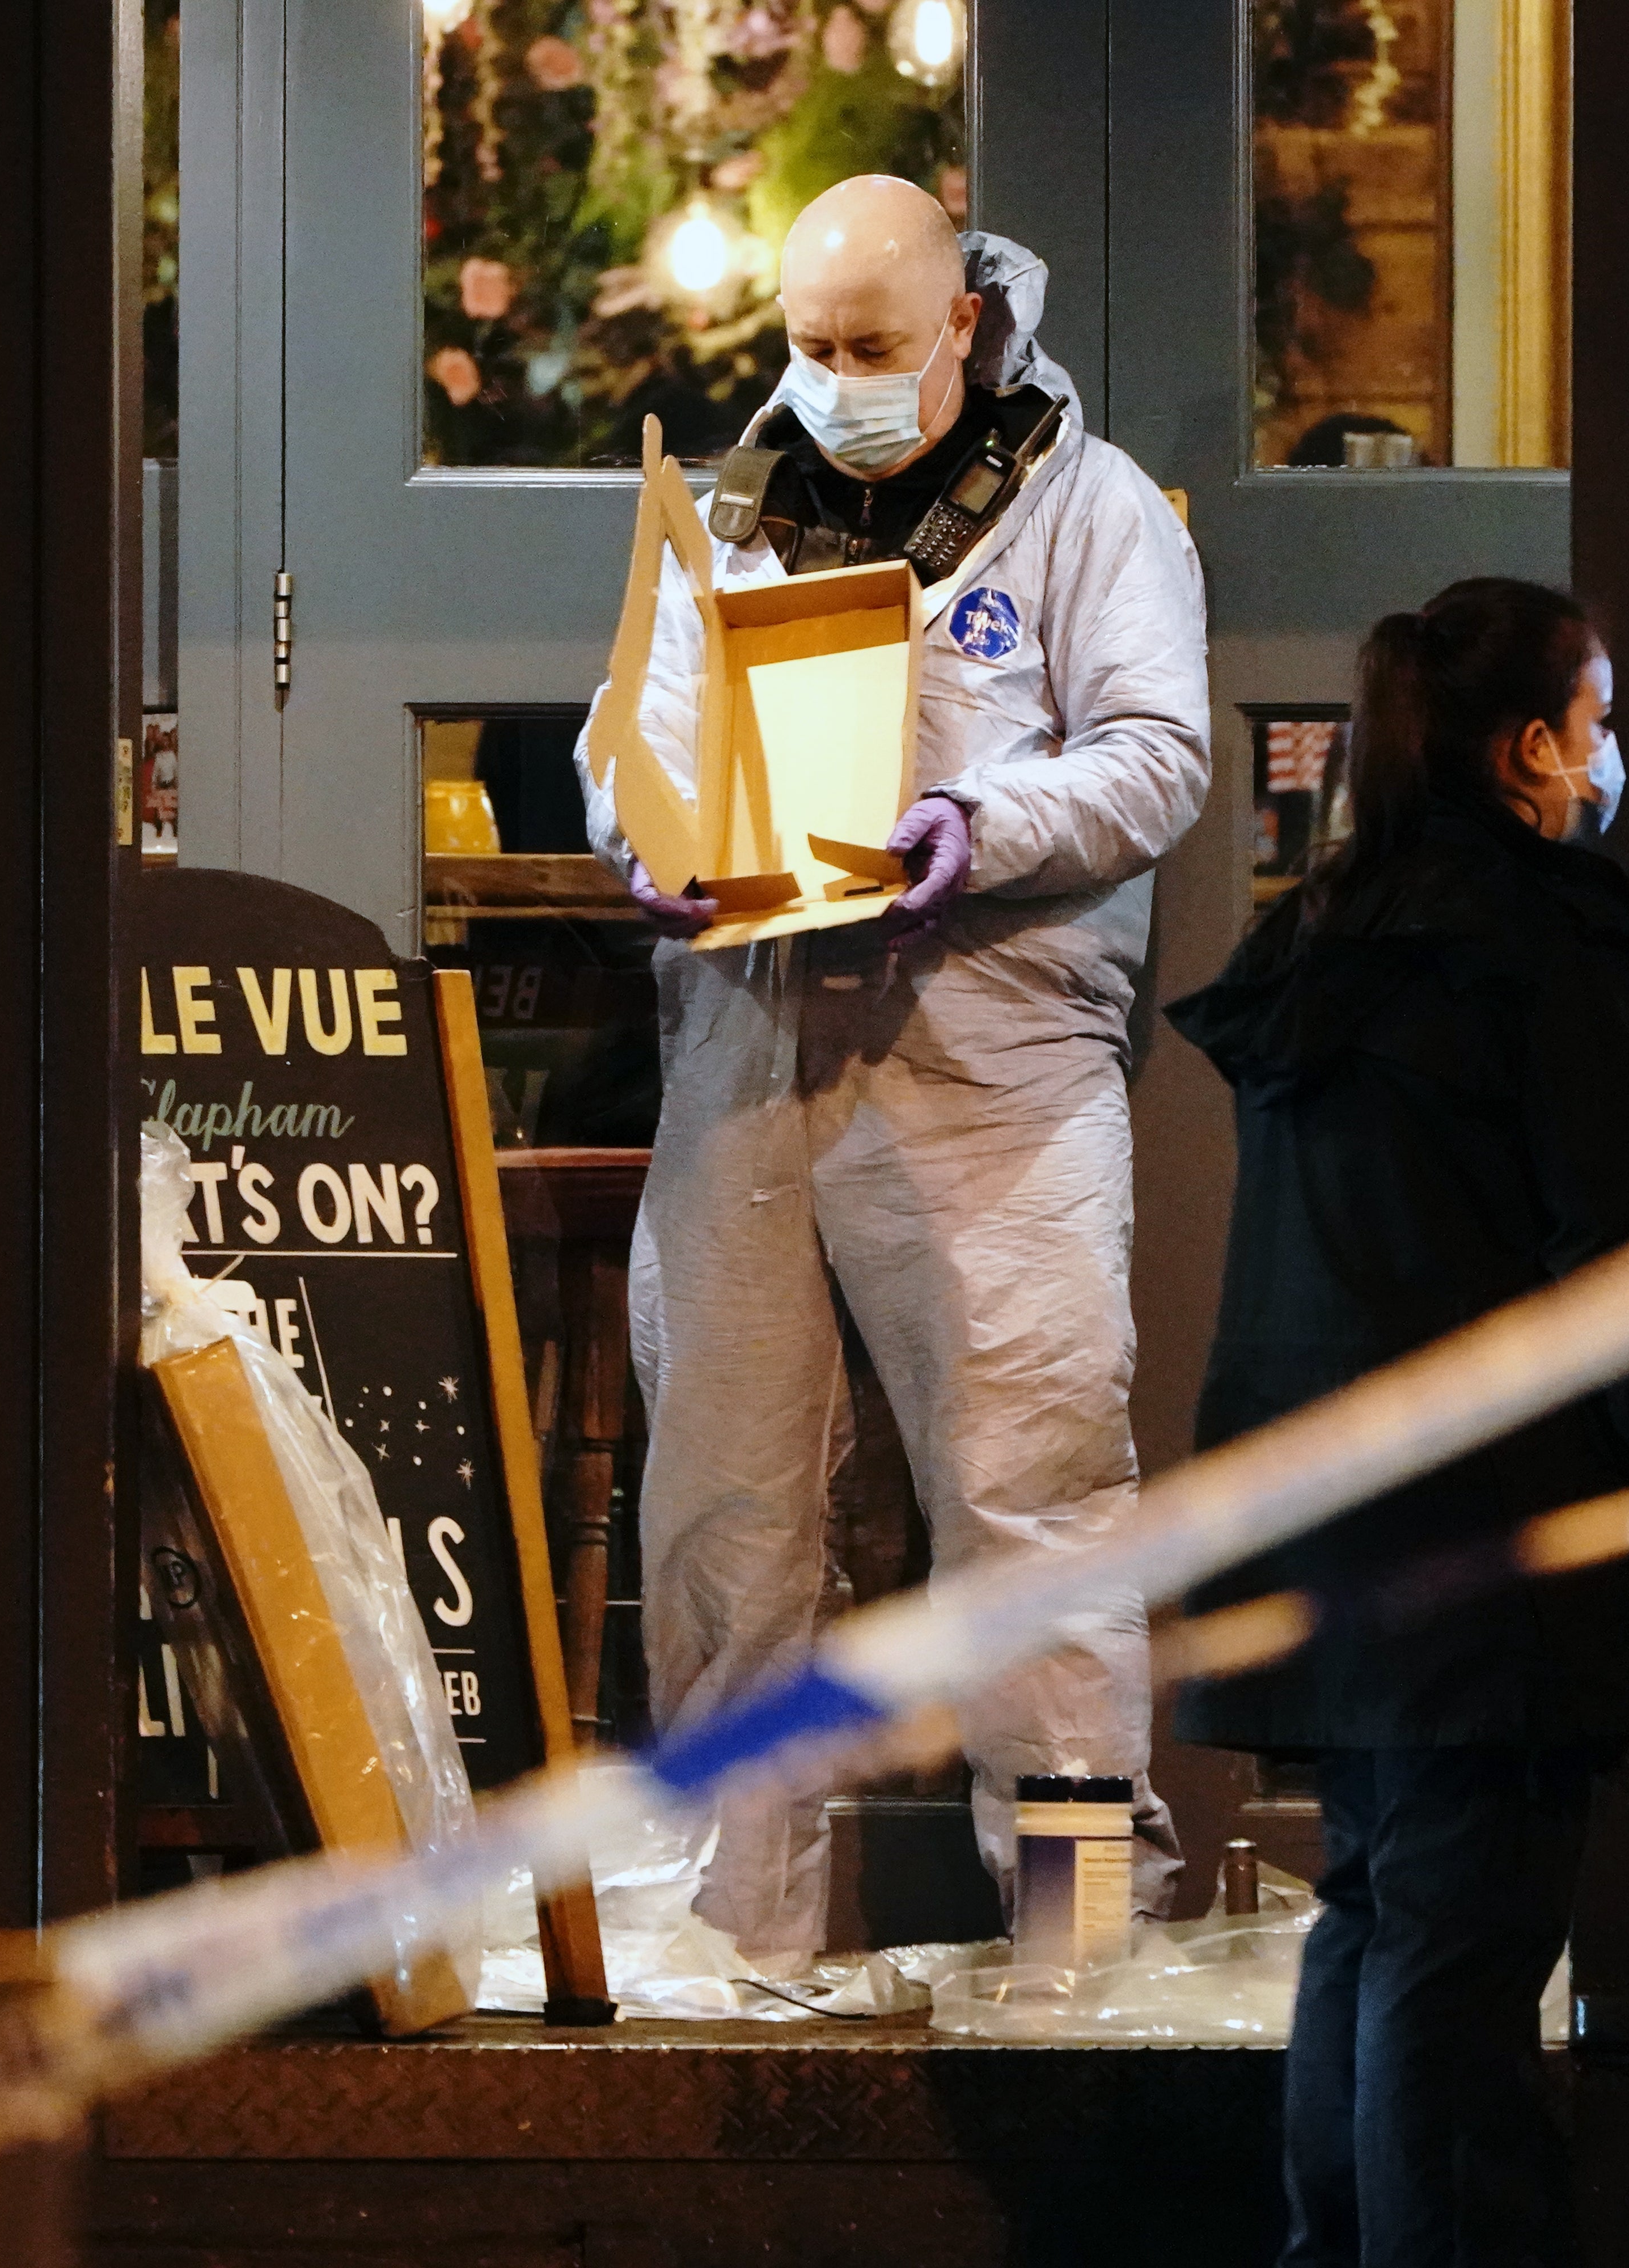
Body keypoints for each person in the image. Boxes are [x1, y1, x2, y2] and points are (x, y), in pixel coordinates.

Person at [1166, 578, 1629, 2264]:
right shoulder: (1550, 950)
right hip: (1496, 1548)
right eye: (1597, 724)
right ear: (1530, 746)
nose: (1607, 762)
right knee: (1460, 1963)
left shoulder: (1320, 947)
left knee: (1378, 1919)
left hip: (1330, 1526)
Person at [575, 174, 1206, 1961]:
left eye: (868, 343)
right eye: (805, 342)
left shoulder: (1086, 512)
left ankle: (1077, 1952)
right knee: (726, 1517)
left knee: (1035, 1519)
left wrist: (977, 818)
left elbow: (1160, 757)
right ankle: (725, 1943)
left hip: (991, 1054)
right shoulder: (744, 508)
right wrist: (645, 834)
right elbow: (637, 726)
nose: (833, 373)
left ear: (962, 327)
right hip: (759, 1038)